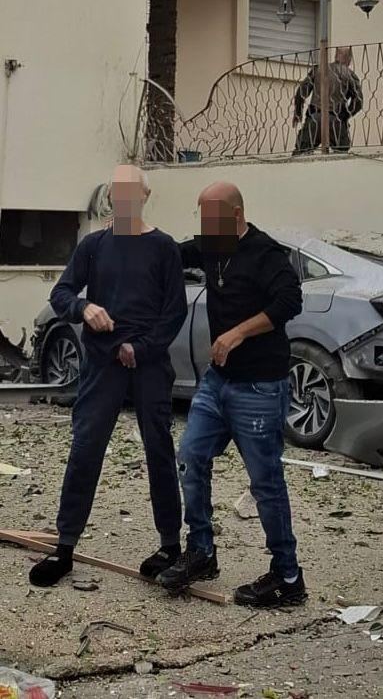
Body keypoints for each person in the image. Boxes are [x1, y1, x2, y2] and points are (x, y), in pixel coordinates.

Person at [29, 166, 187, 587]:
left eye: (132, 192)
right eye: (118, 193)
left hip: (149, 366)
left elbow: (175, 312)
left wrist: (142, 348)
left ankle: (170, 545)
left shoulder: (164, 247)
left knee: (159, 450)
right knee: (85, 449)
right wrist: (84, 308)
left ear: (145, 197)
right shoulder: (94, 246)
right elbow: (61, 293)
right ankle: (64, 547)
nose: (124, 199)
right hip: (102, 364)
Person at [158, 181, 306, 608]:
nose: (205, 225)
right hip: (217, 382)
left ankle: (288, 577)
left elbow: (289, 301)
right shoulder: (212, 246)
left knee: (265, 482)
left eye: (211, 217)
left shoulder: (265, 253)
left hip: (259, 386)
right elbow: (171, 252)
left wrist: (238, 332)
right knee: (190, 456)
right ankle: (201, 551)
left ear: (236, 215)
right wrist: (132, 232)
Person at [292, 46, 363, 154]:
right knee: (341, 155)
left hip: (314, 118)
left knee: (301, 152)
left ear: (335, 56)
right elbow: (358, 101)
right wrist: (346, 115)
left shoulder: (319, 69)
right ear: (349, 59)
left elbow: (301, 92)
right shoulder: (350, 75)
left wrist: (298, 113)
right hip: (336, 119)